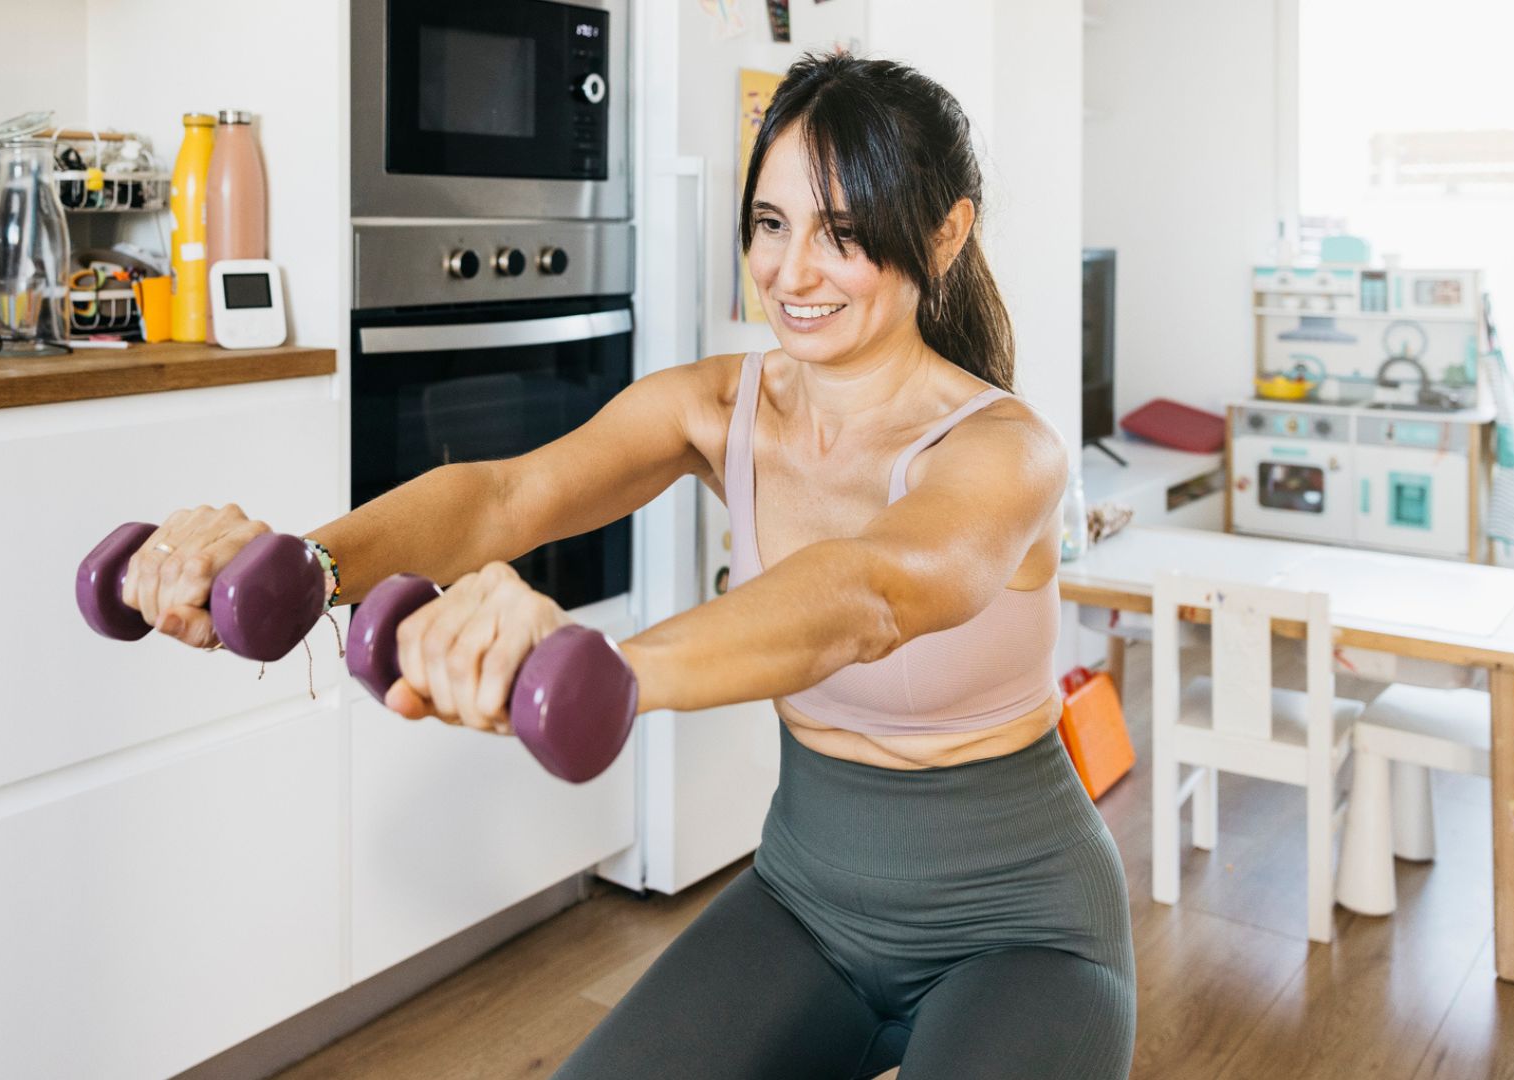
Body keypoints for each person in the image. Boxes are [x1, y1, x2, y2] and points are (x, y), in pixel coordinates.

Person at [122, 50, 1133, 1080]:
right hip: (806, 902)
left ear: (945, 232)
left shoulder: (1007, 450)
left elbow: (870, 593)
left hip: (1024, 933)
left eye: (845, 233)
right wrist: (301, 563)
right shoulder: (717, 407)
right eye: (772, 224)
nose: (791, 273)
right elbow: (506, 495)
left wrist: (610, 668)